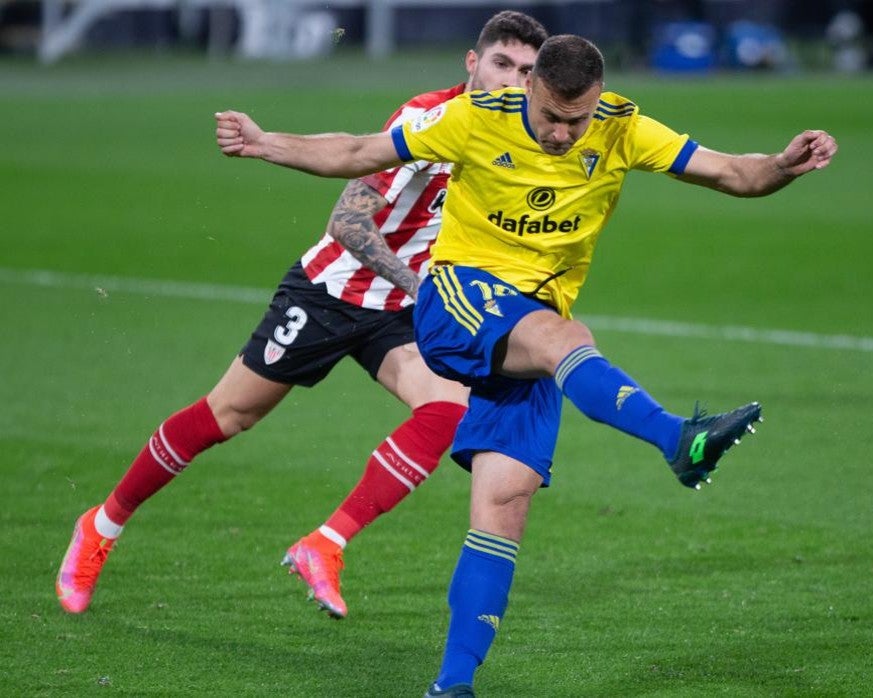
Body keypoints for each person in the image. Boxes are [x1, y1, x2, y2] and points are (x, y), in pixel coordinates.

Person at [216, 34, 836, 697]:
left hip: (527, 337)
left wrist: (783, 164)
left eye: (578, 119)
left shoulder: (621, 127)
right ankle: (677, 440)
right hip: (458, 303)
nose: (565, 133)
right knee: (564, 336)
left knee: (505, 503)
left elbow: (735, 174)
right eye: (551, 117)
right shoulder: (474, 117)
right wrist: (262, 141)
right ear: (531, 89)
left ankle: (452, 686)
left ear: (598, 100)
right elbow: (356, 151)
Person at [55, 11, 550, 621]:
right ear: (472, 65)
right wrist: (424, 288)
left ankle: (326, 544)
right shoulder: (431, 120)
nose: (512, 80)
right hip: (329, 292)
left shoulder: (523, 135)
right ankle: (100, 525)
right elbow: (347, 221)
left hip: (397, 313)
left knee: (446, 408)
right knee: (226, 416)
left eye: (527, 71)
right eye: (502, 63)